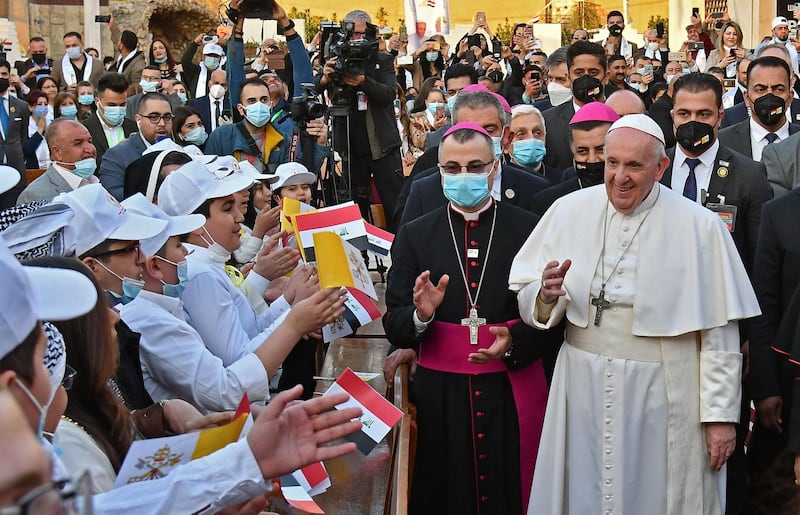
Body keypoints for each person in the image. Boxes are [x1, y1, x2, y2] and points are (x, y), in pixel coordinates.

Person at [509, 113, 760, 514]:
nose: (619, 177)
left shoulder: (700, 227)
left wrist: (719, 418)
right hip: (582, 384)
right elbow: (528, 296)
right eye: (612, 163)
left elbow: (720, 336)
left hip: (664, 390)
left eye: (634, 166)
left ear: (661, 167)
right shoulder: (567, 210)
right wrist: (544, 294)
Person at [384, 122, 558, 514]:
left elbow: (553, 323)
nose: (464, 176)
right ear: (440, 171)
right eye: (453, 168)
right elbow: (393, 323)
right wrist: (420, 317)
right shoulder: (415, 233)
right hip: (440, 397)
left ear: (495, 167)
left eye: (476, 166)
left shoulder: (529, 228)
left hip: (511, 391)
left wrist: (514, 343)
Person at [662, 72, 772, 271]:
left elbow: (760, 256)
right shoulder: (655, 170)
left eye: (703, 114)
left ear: (720, 116)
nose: (692, 122)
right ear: (673, 115)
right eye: (684, 114)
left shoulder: (750, 176)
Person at [398, 88, 550, 228]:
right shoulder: (424, 191)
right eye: (468, 130)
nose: (478, 139)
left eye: (488, 129)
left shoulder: (535, 189)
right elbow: (405, 250)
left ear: (506, 136)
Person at [315, 9, 405, 230]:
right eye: (353, 34)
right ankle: (359, 256)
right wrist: (326, 77)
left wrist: (363, 82)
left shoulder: (382, 60)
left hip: (381, 144)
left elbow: (388, 93)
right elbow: (315, 88)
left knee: (394, 200)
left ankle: (401, 248)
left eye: (362, 34)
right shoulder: (335, 59)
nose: (357, 40)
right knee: (354, 202)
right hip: (349, 143)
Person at [531, 102, 619, 215]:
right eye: (582, 152)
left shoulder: (637, 194)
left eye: (601, 150)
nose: (592, 160)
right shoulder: (550, 202)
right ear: (572, 151)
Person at [543, 41, 608, 174]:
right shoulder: (547, 122)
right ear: (568, 76)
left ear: (606, 76)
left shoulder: (621, 117)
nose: (586, 78)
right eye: (579, 73)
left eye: (593, 72)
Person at [718, 57, 800, 160]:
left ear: (790, 97)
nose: (769, 96)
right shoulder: (723, 141)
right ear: (746, 98)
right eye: (760, 89)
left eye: (778, 89)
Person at [99, 92, 174, 200]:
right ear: (138, 119)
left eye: (167, 117)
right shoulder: (117, 155)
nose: (162, 123)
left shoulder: (179, 150)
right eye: (154, 117)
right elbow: (113, 195)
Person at [17, 119, 98, 204]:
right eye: (78, 143)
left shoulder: (95, 182)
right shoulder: (34, 196)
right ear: (57, 152)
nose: (89, 149)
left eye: (89, 141)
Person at [82, 72, 137, 168]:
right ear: (97, 102)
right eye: (112, 105)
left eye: (122, 105)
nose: (118, 109)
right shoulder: (84, 129)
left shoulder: (135, 128)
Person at [0, 58, 31, 208]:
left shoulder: (21, 106)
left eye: (3, 74)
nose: (0, 77)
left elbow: (23, 137)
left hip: (16, 170)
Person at [507, 104, 554, 182]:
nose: (531, 138)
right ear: (506, 143)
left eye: (537, 133)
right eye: (521, 134)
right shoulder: (499, 182)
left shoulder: (561, 179)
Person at [187, 69, 229, 134]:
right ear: (210, 84)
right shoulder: (195, 104)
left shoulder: (231, 105)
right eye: (216, 83)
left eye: (223, 85)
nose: (219, 87)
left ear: (227, 87)